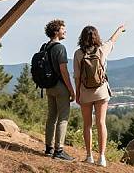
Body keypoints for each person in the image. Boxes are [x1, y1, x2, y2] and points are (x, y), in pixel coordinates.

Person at [73, 24, 125, 167]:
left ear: (82, 38)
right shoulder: (102, 50)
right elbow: (112, 40)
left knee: (87, 125)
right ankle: (102, 157)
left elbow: (77, 77)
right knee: (101, 123)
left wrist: (78, 94)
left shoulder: (78, 54)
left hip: (85, 92)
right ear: (96, 36)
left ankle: (89, 156)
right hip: (101, 91)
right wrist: (120, 29)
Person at [43, 19, 76, 161]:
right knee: (63, 118)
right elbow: (64, 71)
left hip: (48, 86)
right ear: (56, 31)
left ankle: (49, 149)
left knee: (51, 117)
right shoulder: (60, 48)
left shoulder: (44, 46)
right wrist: (71, 90)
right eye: (63, 29)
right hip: (60, 87)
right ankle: (59, 151)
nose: (65, 31)